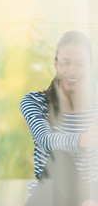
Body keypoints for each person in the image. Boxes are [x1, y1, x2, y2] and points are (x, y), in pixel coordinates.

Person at [20, 31, 98, 206]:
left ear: (90, 65)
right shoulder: (35, 102)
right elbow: (45, 140)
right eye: (66, 63)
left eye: (80, 64)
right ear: (56, 64)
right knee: (60, 156)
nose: (72, 70)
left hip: (91, 194)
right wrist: (81, 140)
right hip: (48, 198)